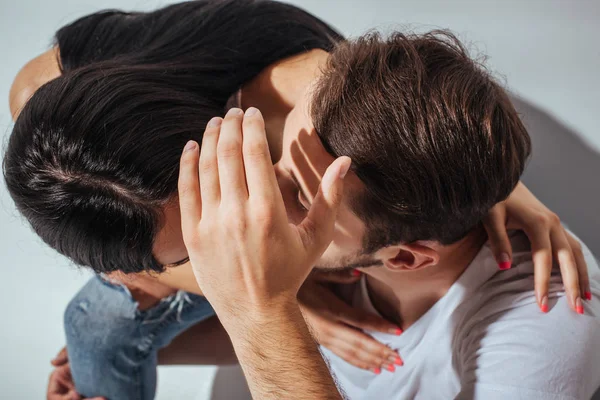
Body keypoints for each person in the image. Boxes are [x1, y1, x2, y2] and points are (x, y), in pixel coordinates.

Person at [4, 1, 592, 399]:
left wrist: (267, 312)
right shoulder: (355, 240)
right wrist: (286, 313)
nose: (249, 214)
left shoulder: (540, 342)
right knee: (94, 326)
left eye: (293, 190)